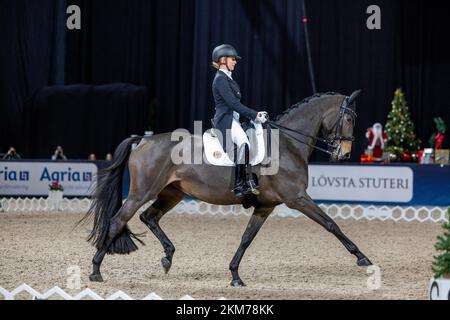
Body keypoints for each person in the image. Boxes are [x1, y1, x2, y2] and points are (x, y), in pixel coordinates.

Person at [211, 44, 268, 197]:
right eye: (232, 59)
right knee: (244, 143)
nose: (235, 62)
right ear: (223, 60)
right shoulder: (220, 79)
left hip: (234, 120)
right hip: (225, 121)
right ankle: (239, 185)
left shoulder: (227, 78)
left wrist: (254, 116)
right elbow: (233, 104)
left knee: (250, 140)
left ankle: (249, 180)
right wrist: (255, 115)